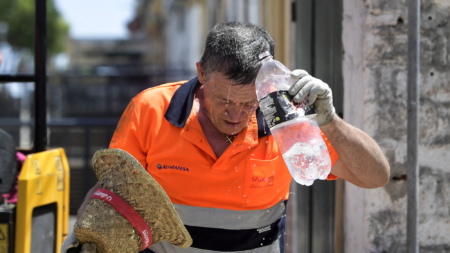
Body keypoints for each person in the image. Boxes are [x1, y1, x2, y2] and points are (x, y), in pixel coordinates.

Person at [65, 22, 390, 253]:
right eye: (224, 100)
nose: (236, 114)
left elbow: (376, 176)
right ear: (201, 73)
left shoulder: (288, 118)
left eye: (249, 103)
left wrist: (330, 121)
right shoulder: (152, 109)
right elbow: (113, 193)